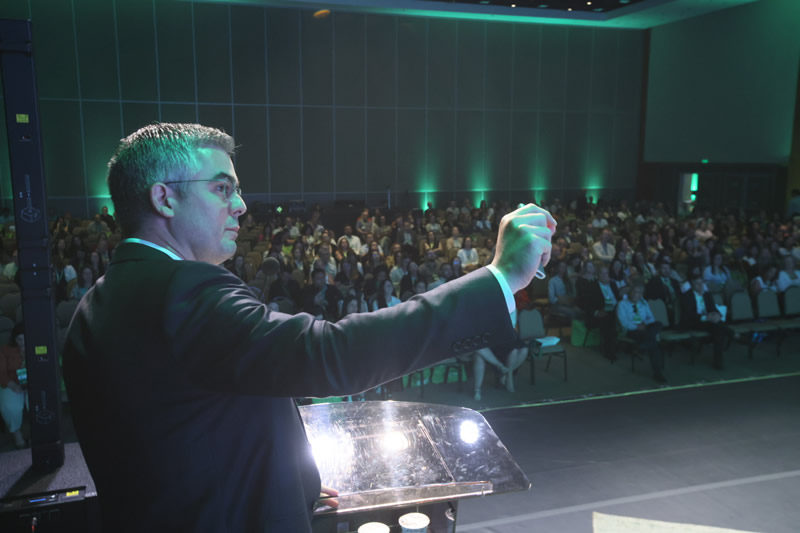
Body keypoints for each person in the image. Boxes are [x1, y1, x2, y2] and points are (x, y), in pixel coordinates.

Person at [62, 122, 555, 532]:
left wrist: (291, 484)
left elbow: (190, 437)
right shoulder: (180, 291)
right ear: (164, 199)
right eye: (222, 188)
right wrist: (500, 278)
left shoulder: (99, 301)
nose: (241, 205)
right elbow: (330, 354)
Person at [680, 275, 732, 370]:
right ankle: (729, 332)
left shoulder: (707, 295)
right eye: (697, 283)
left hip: (708, 322)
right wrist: (706, 317)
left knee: (717, 329)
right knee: (718, 329)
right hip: (694, 322)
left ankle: (718, 362)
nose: (700, 285)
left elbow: (712, 308)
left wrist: (718, 315)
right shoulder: (687, 296)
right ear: (692, 285)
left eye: (701, 283)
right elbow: (689, 315)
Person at [616, 284, 665, 383]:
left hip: (645, 328)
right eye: (633, 292)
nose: (635, 294)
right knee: (654, 344)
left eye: (638, 292)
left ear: (641, 295)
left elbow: (650, 318)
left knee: (658, 324)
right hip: (631, 330)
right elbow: (623, 322)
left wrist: (645, 324)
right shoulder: (622, 304)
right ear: (629, 293)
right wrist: (637, 327)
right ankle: (658, 373)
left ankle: (645, 343)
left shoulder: (644, 303)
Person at [0, 323, 27, 449]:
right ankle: (17, 435)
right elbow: (1, 373)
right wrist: (13, 385)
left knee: (40, 402)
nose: (22, 342)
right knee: (9, 407)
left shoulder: (38, 346)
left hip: (34, 383)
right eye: (19, 339)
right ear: (14, 339)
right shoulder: (4, 350)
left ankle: (40, 434)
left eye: (25, 338)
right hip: (12, 383)